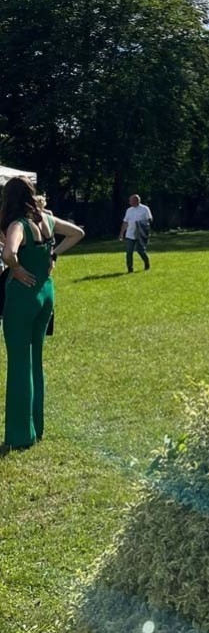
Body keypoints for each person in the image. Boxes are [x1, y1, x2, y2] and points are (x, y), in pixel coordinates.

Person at [1, 176, 84, 450]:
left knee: (19, 365)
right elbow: (77, 233)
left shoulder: (18, 225)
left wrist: (15, 268)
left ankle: (19, 435)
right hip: (46, 294)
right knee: (35, 360)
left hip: (22, 298)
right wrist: (53, 255)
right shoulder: (46, 220)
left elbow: (9, 253)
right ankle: (37, 426)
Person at [119, 193, 153, 272]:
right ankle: (130, 269)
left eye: (131, 200)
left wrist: (140, 223)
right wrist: (121, 233)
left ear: (136, 201)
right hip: (130, 234)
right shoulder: (129, 210)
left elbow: (150, 219)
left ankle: (147, 263)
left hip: (140, 234)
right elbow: (125, 222)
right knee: (129, 252)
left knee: (140, 251)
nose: (129, 202)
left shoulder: (145, 208)